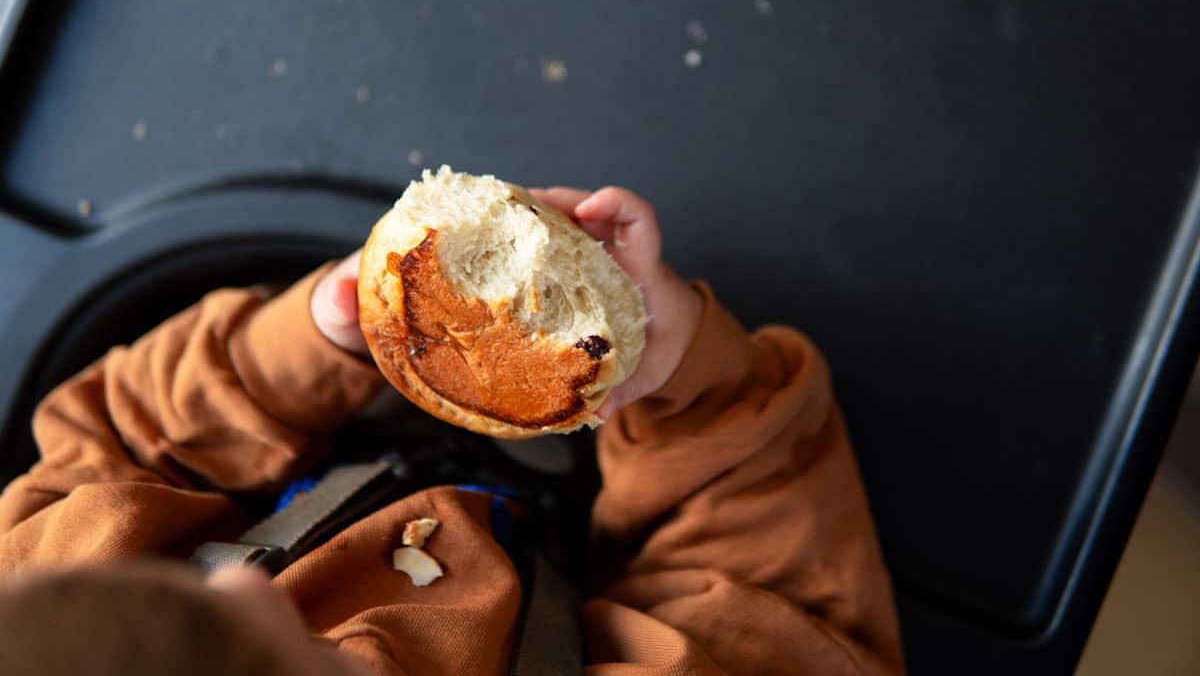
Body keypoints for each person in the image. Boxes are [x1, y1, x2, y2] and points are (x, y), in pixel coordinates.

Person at [0, 185, 905, 675]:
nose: (240, 593)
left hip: (355, 439)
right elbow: (780, 613)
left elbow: (117, 431)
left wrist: (310, 340)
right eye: (278, 657)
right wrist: (688, 388)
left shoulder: (47, 596)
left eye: (191, 600)